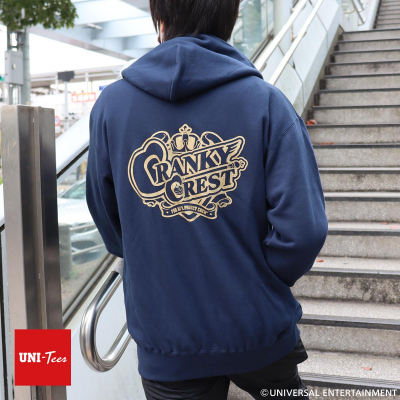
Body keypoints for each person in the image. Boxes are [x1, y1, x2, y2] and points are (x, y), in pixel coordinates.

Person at [86, 0, 328, 398]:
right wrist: (256, 279)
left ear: (160, 20)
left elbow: (110, 221)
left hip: (167, 337)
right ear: (230, 18)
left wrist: (153, 258)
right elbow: (304, 230)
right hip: (260, 328)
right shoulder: (266, 102)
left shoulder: (111, 107)